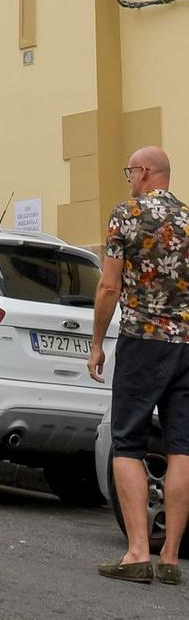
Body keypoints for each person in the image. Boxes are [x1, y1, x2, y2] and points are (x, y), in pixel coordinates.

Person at [89, 145, 189, 583]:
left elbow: (109, 286)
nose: (129, 177)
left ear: (146, 172)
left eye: (131, 170)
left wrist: (97, 342)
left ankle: (136, 553)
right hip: (187, 344)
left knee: (127, 442)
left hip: (142, 341)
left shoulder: (126, 215)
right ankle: (170, 558)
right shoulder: (188, 219)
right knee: (181, 447)